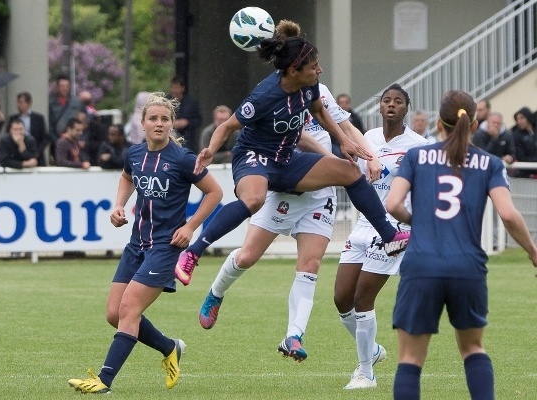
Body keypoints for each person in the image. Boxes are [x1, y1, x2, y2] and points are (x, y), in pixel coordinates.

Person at [197, 19, 377, 363]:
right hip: (286, 182)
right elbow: (297, 137)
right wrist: (328, 158)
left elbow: (344, 125)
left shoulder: (316, 89)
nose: (316, 68)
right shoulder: (276, 93)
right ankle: (215, 292)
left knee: (309, 265)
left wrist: (369, 155)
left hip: (318, 190)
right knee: (247, 256)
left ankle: (293, 336)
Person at [174, 23, 410, 286]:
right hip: (255, 157)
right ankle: (193, 252)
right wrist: (210, 151)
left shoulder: (309, 84)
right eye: (313, 66)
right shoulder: (263, 96)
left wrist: (342, 140)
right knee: (254, 199)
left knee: (350, 171)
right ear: (292, 70)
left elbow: (320, 112)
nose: (319, 70)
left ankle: (389, 237)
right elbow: (227, 126)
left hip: (286, 159)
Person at [385, 90, 537, 400]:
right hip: (467, 267)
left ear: (439, 123)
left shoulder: (416, 156)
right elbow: (507, 214)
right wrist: (534, 252)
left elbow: (392, 204)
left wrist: (419, 220)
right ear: (475, 122)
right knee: (472, 348)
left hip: (421, 266)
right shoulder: (491, 163)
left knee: (410, 359)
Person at [67, 93, 223, 394]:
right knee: (114, 313)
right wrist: (118, 206)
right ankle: (169, 347)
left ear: (172, 124)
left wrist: (191, 226)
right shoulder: (135, 154)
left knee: (128, 309)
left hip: (165, 247)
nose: (159, 123)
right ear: (143, 123)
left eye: (165, 119)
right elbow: (127, 177)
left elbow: (215, 193)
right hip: (137, 243)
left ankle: (104, 380)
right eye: (153, 118)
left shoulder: (183, 159)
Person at [334, 84, 429, 390]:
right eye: (386, 100)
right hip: (364, 225)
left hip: (394, 229)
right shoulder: (368, 139)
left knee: (363, 298)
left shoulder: (418, 145)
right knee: (341, 299)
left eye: (397, 101)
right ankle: (373, 350)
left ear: (406, 108)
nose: (391, 105)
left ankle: (365, 373)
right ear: (379, 107)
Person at [8, 92, 49, 166]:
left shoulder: (38, 118)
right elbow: (8, 135)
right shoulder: (13, 118)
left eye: (21, 102)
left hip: (35, 154)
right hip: (18, 153)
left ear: (28, 103)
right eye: (18, 102)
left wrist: (38, 152)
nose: (18, 105)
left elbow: (45, 138)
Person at [48, 73, 83, 159]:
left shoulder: (77, 102)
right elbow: (50, 126)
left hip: (75, 142)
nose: (64, 88)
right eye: (62, 86)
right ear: (57, 86)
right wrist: (57, 142)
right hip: (59, 142)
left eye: (67, 86)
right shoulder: (51, 103)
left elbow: (85, 121)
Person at [169, 75, 202, 152]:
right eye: (172, 87)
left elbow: (198, 120)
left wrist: (187, 122)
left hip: (188, 139)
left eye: (176, 88)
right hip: (170, 138)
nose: (174, 90)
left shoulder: (191, 103)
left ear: (182, 88)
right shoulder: (166, 102)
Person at [510, 106, 537, 177]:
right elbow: (521, 156)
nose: (519, 121)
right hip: (528, 174)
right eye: (517, 119)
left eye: (522, 118)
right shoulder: (516, 136)